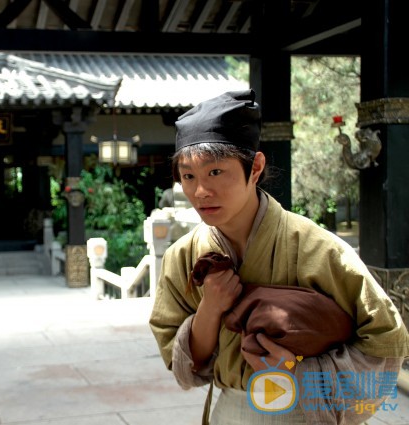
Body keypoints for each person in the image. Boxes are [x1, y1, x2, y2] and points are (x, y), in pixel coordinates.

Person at [148, 89, 409, 425]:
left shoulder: (318, 248)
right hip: (232, 409)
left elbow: (386, 342)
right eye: (188, 176)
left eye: (215, 172)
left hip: (307, 411)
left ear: (254, 167)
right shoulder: (181, 256)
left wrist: (298, 372)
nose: (200, 191)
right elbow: (184, 364)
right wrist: (210, 309)